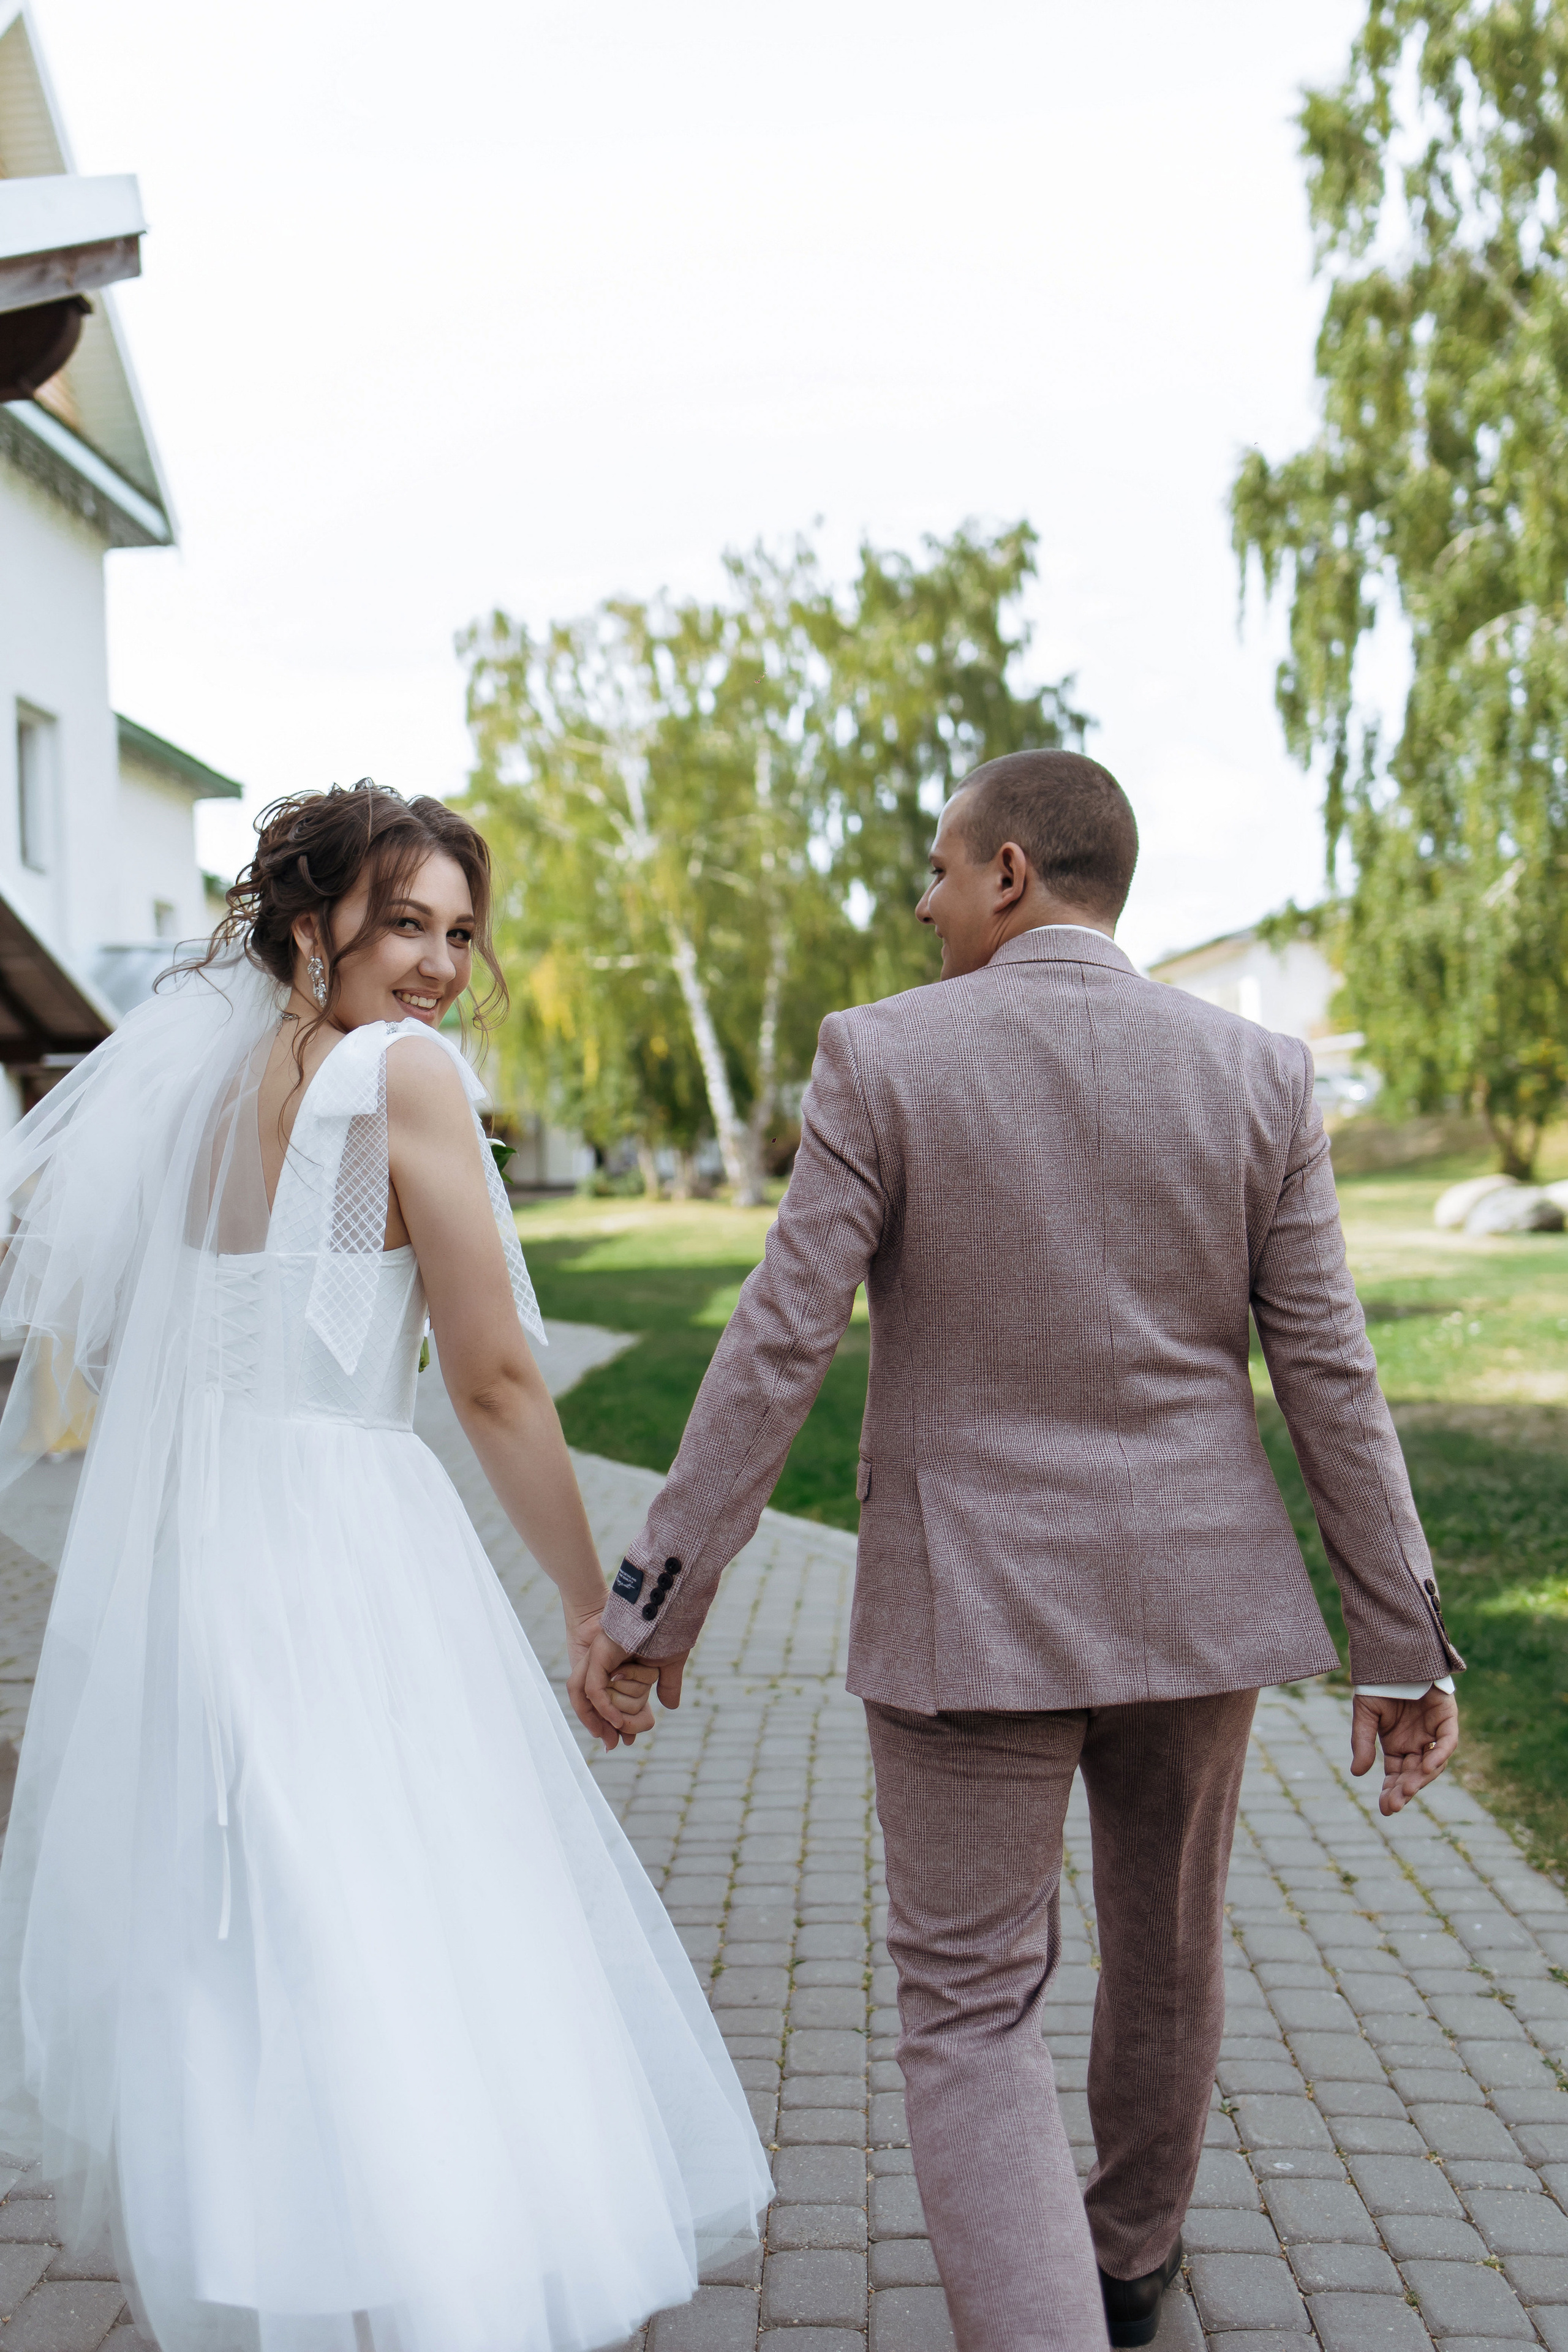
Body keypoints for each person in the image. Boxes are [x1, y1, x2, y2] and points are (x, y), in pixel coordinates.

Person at [577, 749, 1462, 2352]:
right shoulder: (1261, 1074)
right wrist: (1399, 1646)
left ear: (1009, 873)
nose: (920, 902)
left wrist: (657, 1603)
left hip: (968, 1617)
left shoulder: (885, 1059)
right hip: (1196, 1616)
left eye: (937, 866)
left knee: (971, 2014)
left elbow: (778, 1345)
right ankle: (1125, 2268)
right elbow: (1329, 1369)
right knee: (1169, 1949)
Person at [0, 782, 770, 2352]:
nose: (433, 964)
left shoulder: (209, 1086)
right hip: (341, 1548)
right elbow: (490, 1382)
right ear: (313, 923)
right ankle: (437, 2276)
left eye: (459, 931)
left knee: (249, 1932)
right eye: (402, 921)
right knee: (401, 1921)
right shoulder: (402, 1079)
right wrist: (593, 1602)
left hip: (191, 1552)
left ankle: (283, 2271)